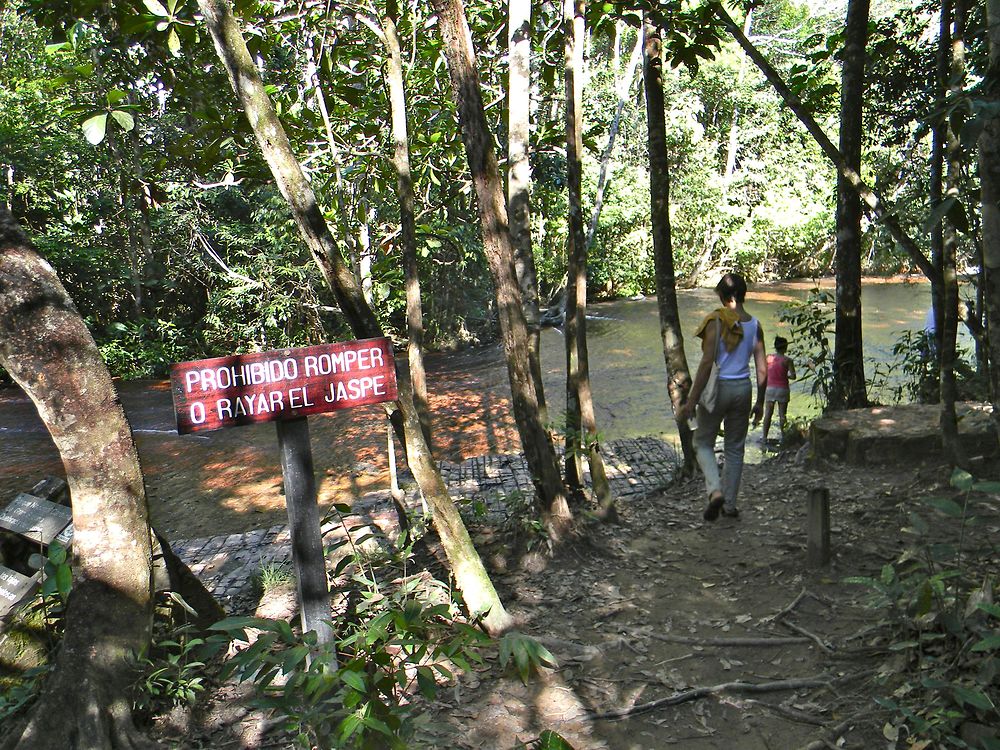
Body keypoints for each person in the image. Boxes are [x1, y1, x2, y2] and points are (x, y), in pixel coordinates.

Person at [676, 273, 767, 521]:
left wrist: (691, 401)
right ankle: (730, 506)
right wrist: (760, 402)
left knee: (702, 443)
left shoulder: (716, 321)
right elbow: (761, 368)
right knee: (735, 449)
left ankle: (715, 490)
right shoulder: (755, 325)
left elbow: (706, 364)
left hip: (718, 389)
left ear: (724, 296)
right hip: (743, 390)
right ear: (743, 295)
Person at [760, 335, 796, 445]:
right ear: (785, 347)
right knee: (782, 415)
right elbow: (793, 376)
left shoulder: (768, 358)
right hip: (782, 389)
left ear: (775, 347)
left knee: (768, 414)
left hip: (770, 389)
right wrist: (786, 375)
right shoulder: (788, 360)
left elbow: (763, 372)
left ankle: (764, 438)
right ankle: (783, 438)